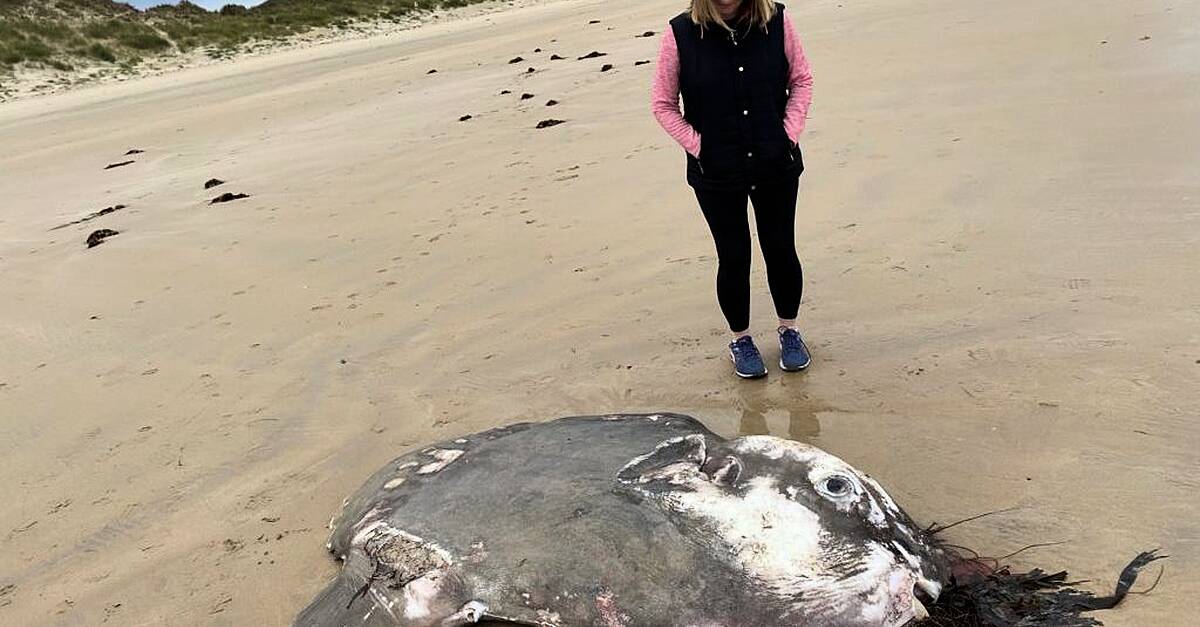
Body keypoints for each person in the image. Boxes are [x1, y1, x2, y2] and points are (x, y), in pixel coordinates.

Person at [652, 0, 813, 379]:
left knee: (780, 247)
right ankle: (741, 340)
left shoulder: (777, 20)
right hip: (716, 171)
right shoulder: (680, 34)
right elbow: (663, 105)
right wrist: (700, 146)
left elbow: (801, 80)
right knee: (734, 255)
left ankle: (789, 331)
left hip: (775, 161)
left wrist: (787, 135)